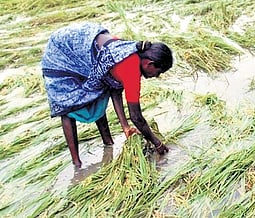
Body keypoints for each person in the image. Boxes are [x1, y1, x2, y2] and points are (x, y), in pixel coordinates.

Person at [41, 22, 173, 168]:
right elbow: (136, 117)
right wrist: (157, 143)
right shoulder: (131, 68)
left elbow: (115, 90)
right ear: (149, 63)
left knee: (98, 92)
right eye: (158, 72)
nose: (156, 76)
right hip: (62, 51)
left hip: (83, 46)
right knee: (67, 107)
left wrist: (125, 126)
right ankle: (76, 164)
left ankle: (108, 144)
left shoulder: (131, 50)